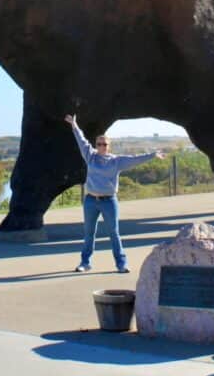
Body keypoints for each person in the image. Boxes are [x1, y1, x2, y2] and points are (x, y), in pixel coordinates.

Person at [65, 114, 163, 273]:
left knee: (114, 233)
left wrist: (152, 155)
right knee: (89, 233)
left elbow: (134, 159)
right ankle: (85, 262)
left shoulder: (116, 161)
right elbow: (81, 141)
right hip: (91, 201)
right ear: (96, 145)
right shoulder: (90, 156)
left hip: (109, 202)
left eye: (104, 144)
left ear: (109, 146)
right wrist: (74, 125)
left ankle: (121, 264)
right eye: (99, 144)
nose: (101, 146)